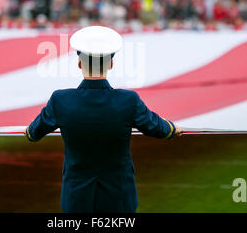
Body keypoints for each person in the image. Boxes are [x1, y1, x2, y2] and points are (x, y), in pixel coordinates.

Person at [26, 26, 182, 213]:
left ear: (79, 63)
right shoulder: (128, 100)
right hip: (119, 197)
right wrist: (172, 128)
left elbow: (33, 133)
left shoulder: (60, 100)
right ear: (110, 64)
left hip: (76, 197)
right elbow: (158, 128)